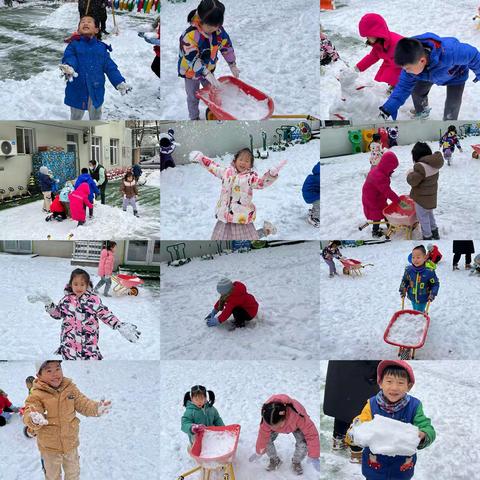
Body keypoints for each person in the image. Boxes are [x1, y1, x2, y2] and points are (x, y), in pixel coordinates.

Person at [23, 360, 111, 480]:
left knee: (73, 474)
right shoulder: (37, 394)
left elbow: (83, 403)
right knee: (52, 476)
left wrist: (96, 408)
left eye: (58, 369)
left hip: (70, 443)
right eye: (49, 370)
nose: (55, 374)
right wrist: (34, 418)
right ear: (39, 376)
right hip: (50, 448)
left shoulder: (70, 388)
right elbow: (31, 409)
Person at [347, 360, 435, 480]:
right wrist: (355, 430)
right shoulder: (372, 404)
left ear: (408, 386)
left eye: (400, 383)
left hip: (401, 468)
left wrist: (423, 435)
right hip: (374, 467)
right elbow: (361, 421)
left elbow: (427, 427)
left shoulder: (414, 406)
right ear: (380, 383)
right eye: (389, 381)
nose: (394, 388)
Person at [27, 268, 140, 359]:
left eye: (82, 284)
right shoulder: (66, 300)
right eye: (75, 284)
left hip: (89, 347)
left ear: (87, 285)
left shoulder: (94, 300)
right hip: (69, 346)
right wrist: (48, 303)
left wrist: (118, 325)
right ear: (71, 284)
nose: (79, 287)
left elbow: (105, 314)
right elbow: (58, 314)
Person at [191, 149, 285, 240]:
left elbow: (261, 183)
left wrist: (271, 175)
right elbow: (213, 167)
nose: (243, 163)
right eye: (241, 159)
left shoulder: (250, 177)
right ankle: (266, 231)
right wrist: (201, 158)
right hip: (224, 218)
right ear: (235, 160)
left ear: (250, 165)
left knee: (248, 240)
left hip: (241, 218)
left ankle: (266, 231)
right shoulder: (226, 172)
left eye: (247, 161)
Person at [380, 35, 480, 120]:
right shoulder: (411, 68)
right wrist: (388, 109)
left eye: (408, 68)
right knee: (417, 92)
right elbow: (402, 89)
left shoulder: (450, 52)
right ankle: (422, 112)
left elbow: (474, 56)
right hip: (427, 75)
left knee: (452, 104)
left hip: (456, 75)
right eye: (404, 68)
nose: (406, 71)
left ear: (422, 61)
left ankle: (449, 126)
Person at [60, 16, 131, 120]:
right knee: (75, 117)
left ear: (97, 29)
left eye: (89, 22)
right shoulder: (74, 45)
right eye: (82, 22)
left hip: (96, 89)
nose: (85, 23)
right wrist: (69, 66)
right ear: (78, 29)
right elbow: (70, 57)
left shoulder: (101, 48)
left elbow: (110, 67)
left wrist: (119, 82)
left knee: (96, 116)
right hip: (77, 89)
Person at [178, 0, 239, 120]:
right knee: (193, 96)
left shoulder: (218, 30)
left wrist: (232, 64)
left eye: (217, 26)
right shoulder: (190, 35)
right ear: (201, 20)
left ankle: (215, 112)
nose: (214, 30)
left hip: (209, 69)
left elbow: (226, 46)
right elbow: (192, 58)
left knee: (213, 91)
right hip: (190, 72)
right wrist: (205, 72)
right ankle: (194, 117)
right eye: (211, 27)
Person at [323, 361, 380, 463]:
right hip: (364, 372)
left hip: (342, 369)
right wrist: (376, 368)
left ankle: (338, 440)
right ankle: (356, 453)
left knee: (343, 402)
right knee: (359, 410)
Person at [249, 394, 320, 475]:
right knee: (266, 442)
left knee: (303, 444)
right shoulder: (267, 418)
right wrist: (259, 451)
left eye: (278, 425)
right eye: (272, 426)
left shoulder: (298, 415)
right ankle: (275, 460)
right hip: (277, 422)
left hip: (295, 426)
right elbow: (262, 437)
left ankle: (296, 462)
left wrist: (314, 455)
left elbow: (311, 434)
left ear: (284, 416)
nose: (276, 428)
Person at [355, 13, 403, 93]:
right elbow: (371, 57)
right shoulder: (378, 45)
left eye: (368, 36)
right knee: (387, 74)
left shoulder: (396, 43)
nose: (367, 38)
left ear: (376, 33)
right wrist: (357, 68)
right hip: (392, 62)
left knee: (393, 74)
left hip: (405, 63)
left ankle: (398, 87)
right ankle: (394, 85)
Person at [406, 142, 443, 240]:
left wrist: (410, 174)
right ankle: (435, 232)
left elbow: (413, 181)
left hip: (421, 199)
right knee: (430, 215)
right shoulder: (434, 164)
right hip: (431, 197)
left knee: (423, 218)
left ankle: (427, 236)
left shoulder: (420, 167)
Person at [362, 151, 400, 237]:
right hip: (372, 198)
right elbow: (387, 191)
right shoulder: (379, 176)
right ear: (387, 166)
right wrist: (398, 201)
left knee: (385, 209)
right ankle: (375, 231)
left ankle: (389, 225)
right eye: (391, 169)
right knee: (376, 214)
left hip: (377, 195)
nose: (392, 171)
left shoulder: (380, 170)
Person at [399, 244, 439, 312]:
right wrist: (403, 289)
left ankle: (421, 315)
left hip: (423, 297)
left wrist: (433, 293)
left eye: (418, 257)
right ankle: (420, 314)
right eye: (413, 257)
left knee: (419, 311)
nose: (415, 260)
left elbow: (435, 284)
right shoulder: (408, 270)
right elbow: (405, 281)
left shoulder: (429, 272)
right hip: (412, 296)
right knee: (415, 308)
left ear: (424, 258)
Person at [302, 162, 320, 227]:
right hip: (310, 195)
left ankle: (314, 210)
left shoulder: (317, 175)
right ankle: (315, 217)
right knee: (319, 203)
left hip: (313, 194)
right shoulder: (318, 177)